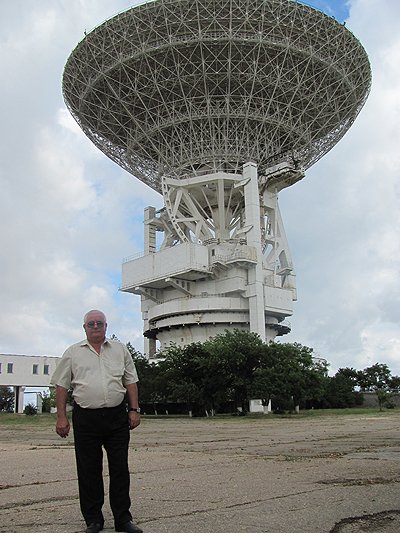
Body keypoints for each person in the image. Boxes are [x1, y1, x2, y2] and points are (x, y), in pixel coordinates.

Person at [50, 310, 143, 533]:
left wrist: (134, 410)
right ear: (84, 328)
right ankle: (94, 520)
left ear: (106, 326)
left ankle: (123, 519)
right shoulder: (73, 353)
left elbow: (131, 381)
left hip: (116, 417)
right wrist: (61, 417)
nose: (95, 326)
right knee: (89, 470)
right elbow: (61, 386)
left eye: (99, 323)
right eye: (91, 324)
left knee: (120, 468)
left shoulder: (120, 350)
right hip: (86, 418)